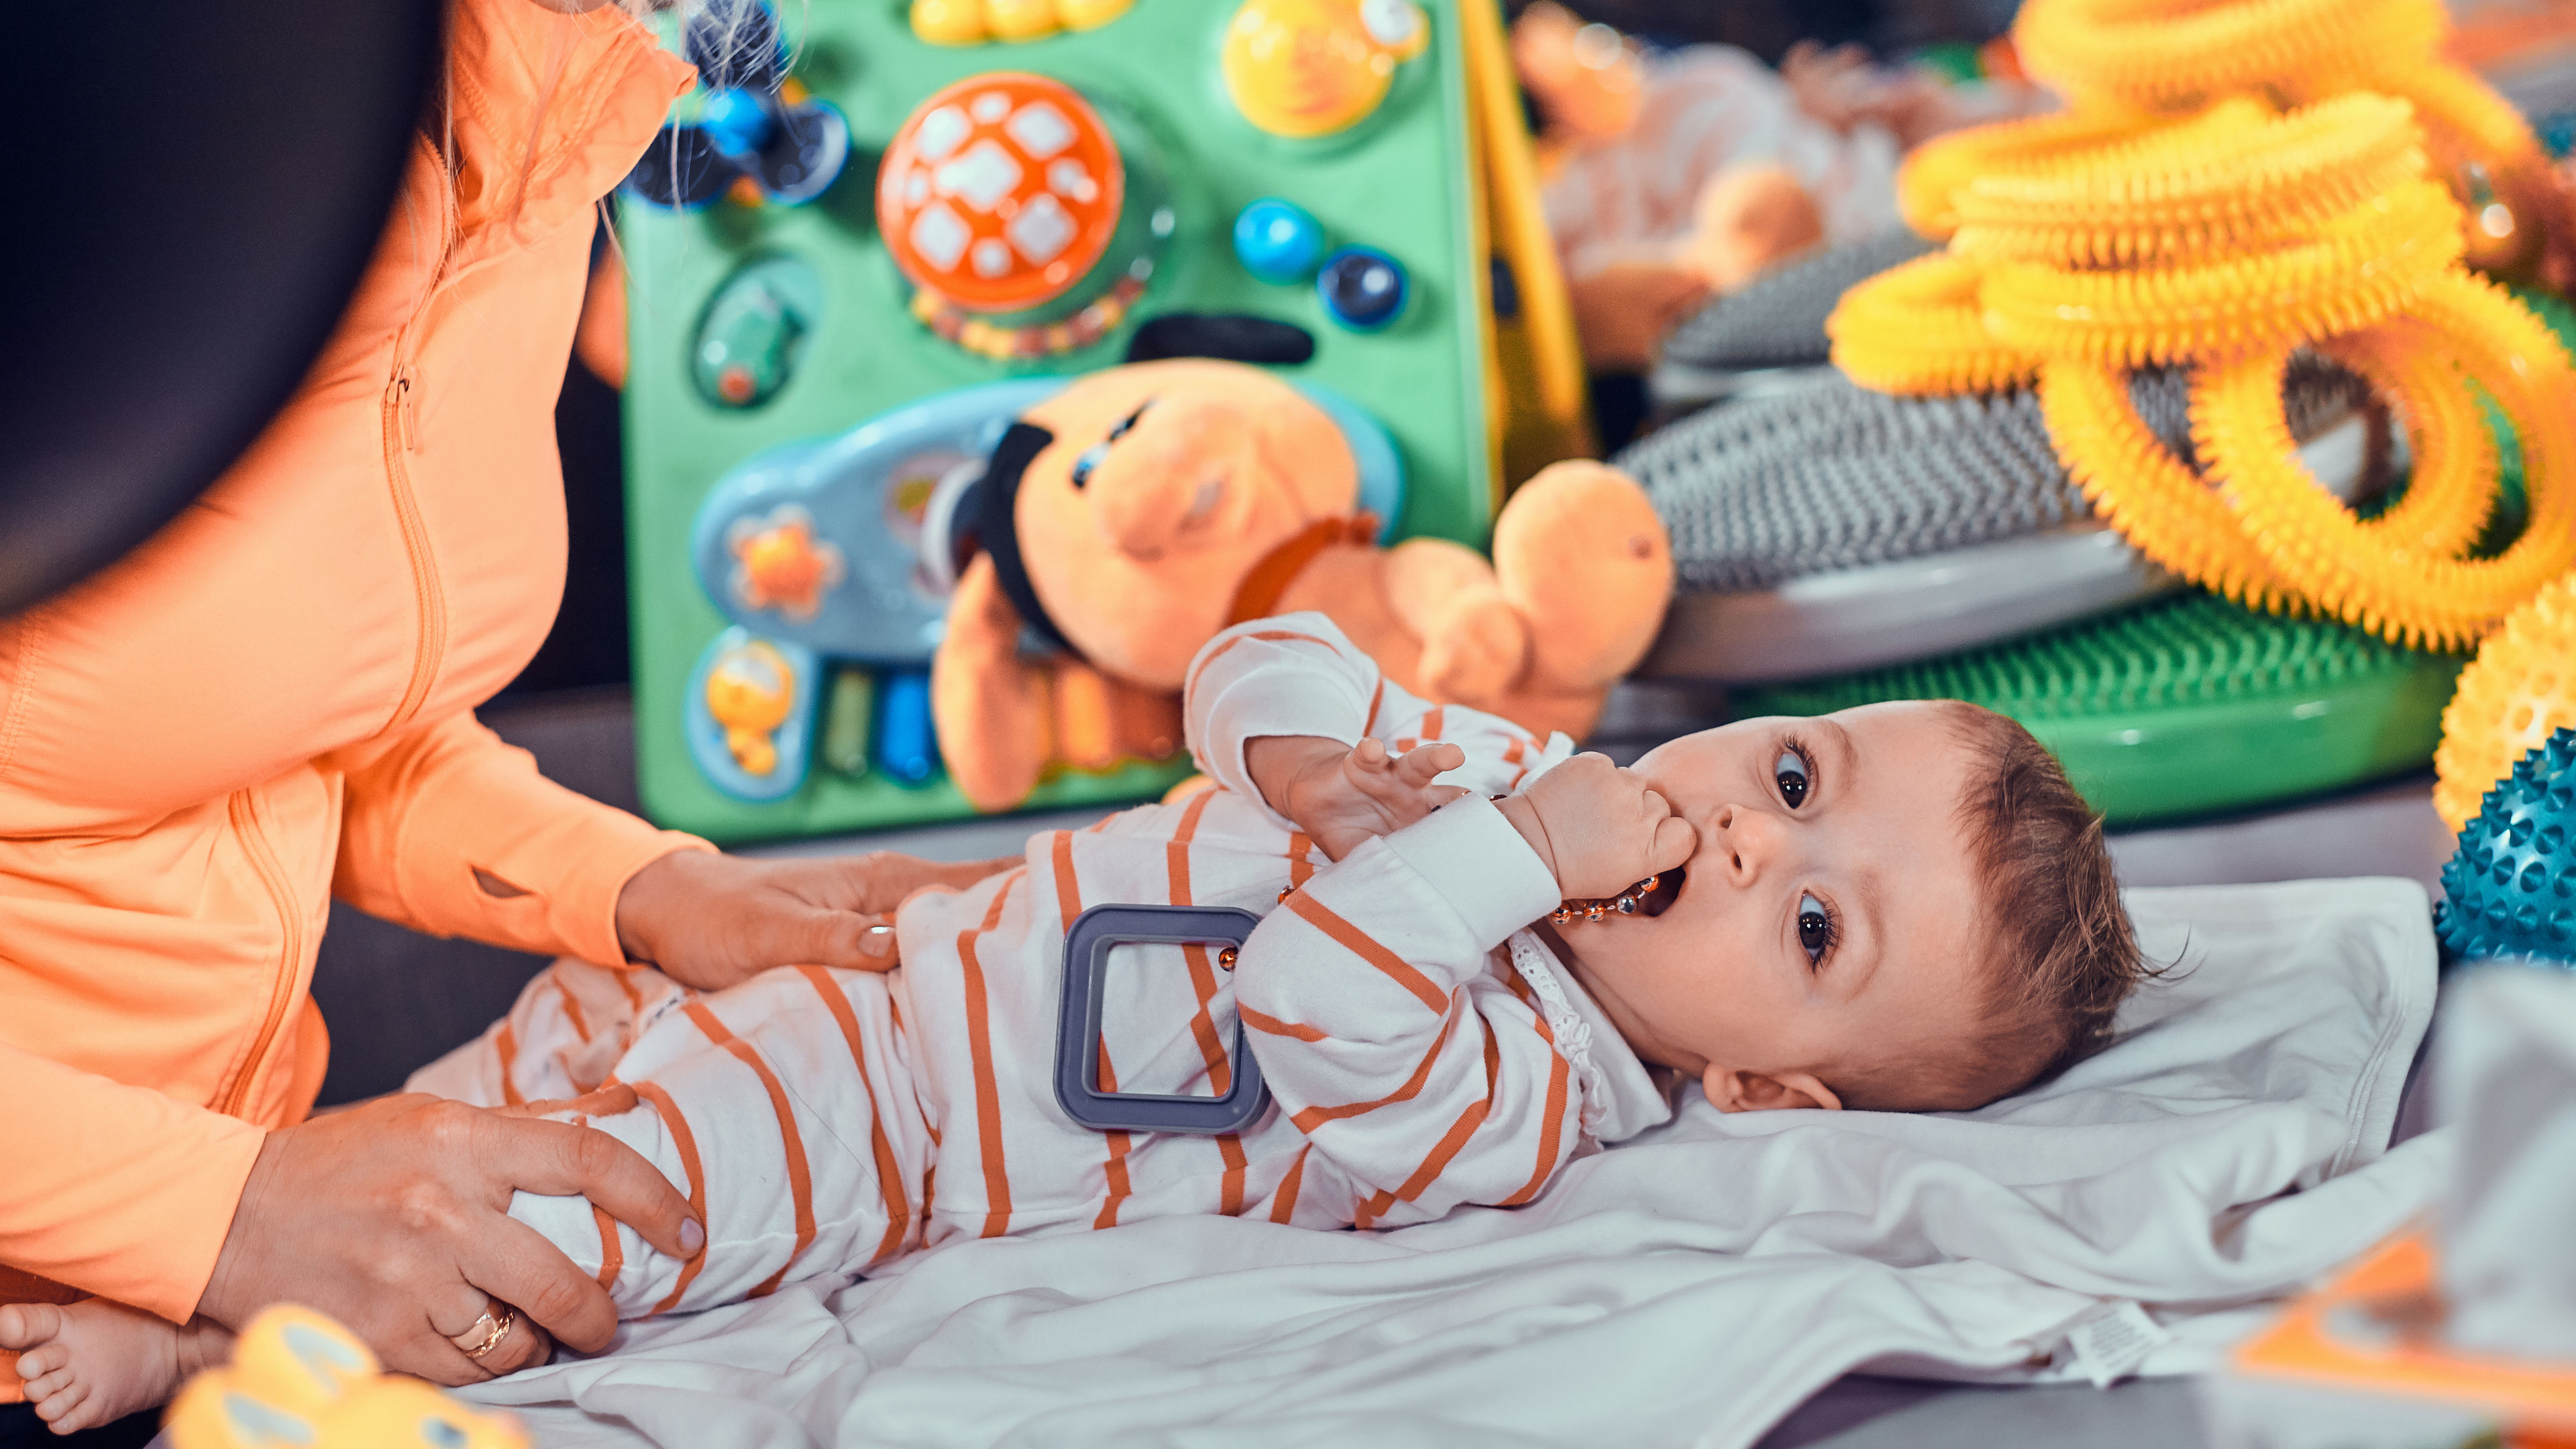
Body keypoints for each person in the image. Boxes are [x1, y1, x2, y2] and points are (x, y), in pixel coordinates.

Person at [4, 612, 2149, 1424]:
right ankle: (200, 1229)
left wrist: (1526, 859)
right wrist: (1306, 747)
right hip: (858, 950)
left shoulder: (1534, 1094)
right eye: (1795, 778)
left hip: (905, 1130)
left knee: (580, 1216)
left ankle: (205, 1352)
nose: (1749, 844)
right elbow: (1265, 656)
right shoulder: (1497, 777)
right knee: (470, 1112)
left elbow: (1319, 1002)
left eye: (1809, 933)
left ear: (1765, 1075)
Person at [0, 0, 1015, 1436]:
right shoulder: (93, 129)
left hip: (199, 1325)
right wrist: (221, 1210)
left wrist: (653, 891)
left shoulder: (563, 113)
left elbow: (317, 729)